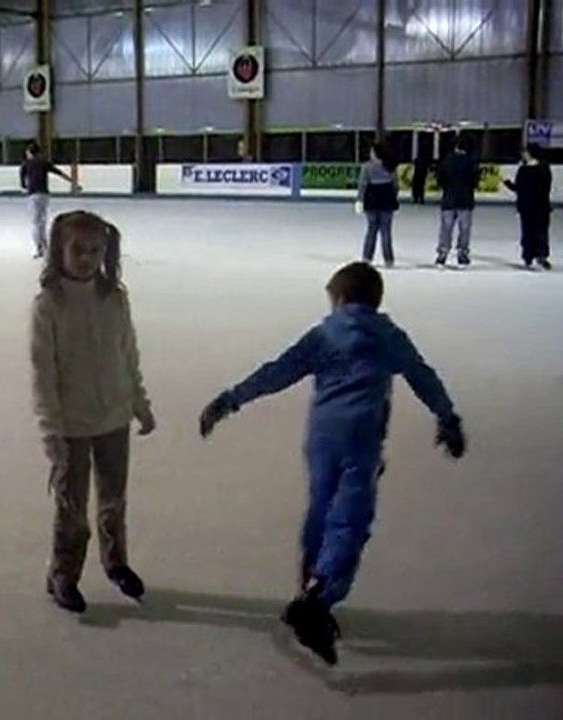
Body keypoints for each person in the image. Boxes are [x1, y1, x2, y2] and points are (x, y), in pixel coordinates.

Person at [198, 262, 465, 666]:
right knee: (349, 520)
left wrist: (230, 400)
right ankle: (319, 598)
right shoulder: (388, 336)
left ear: (339, 299)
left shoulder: (324, 334)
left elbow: (278, 371)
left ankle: (307, 591)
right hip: (362, 439)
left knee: (321, 512)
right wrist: (447, 417)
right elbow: (421, 375)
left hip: (322, 438)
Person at [30, 210, 156, 614]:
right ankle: (63, 575)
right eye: (78, 249)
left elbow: (128, 355)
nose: (87, 258)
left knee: (113, 500)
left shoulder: (114, 298)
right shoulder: (49, 305)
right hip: (71, 425)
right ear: (58, 251)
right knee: (71, 507)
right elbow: (43, 374)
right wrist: (50, 430)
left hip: (114, 419)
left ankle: (116, 562)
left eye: (95, 250)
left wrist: (139, 403)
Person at [20, 141, 76, 259]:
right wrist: (73, 182)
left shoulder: (25, 164)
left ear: (29, 153)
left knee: (36, 222)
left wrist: (25, 186)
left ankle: (39, 247)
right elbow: (59, 173)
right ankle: (44, 246)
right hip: (44, 195)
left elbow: (23, 181)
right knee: (42, 221)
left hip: (33, 195)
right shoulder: (44, 163)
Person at [503, 143, 552, 270]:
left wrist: (511, 185)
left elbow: (519, 188)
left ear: (530, 153)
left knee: (534, 231)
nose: (523, 154)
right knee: (535, 231)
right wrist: (509, 184)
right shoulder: (542, 168)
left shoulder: (527, 169)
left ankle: (534, 256)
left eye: (525, 152)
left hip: (532, 206)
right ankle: (534, 256)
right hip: (536, 206)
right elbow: (520, 188)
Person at [435, 136, 480, 266]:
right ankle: (462, 252)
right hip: (465, 200)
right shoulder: (471, 161)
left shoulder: (447, 160)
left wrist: (446, 186)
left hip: (449, 199)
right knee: (464, 229)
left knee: (446, 228)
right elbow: (475, 180)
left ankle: (443, 252)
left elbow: (440, 178)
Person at [356, 143, 399, 267]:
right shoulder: (390, 166)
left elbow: (362, 185)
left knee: (371, 231)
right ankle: (389, 260)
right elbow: (395, 185)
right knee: (386, 232)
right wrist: (392, 197)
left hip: (372, 202)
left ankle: (367, 258)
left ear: (375, 153)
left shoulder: (367, 167)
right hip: (387, 202)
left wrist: (360, 200)